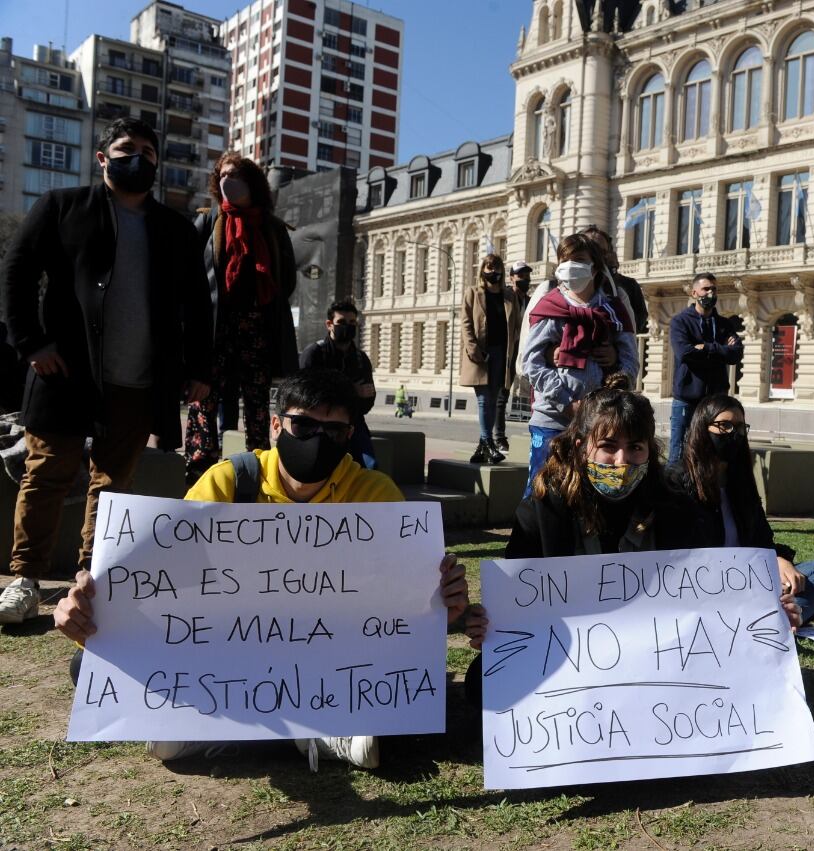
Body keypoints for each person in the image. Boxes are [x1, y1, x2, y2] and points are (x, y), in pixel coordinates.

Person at [52, 369, 471, 770]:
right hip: (230, 652)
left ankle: (215, 725)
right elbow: (160, 585)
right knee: (85, 668)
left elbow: (400, 606)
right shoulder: (228, 483)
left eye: (335, 432)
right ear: (275, 425)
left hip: (330, 654)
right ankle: (308, 730)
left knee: (413, 689)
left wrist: (437, 609)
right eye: (304, 426)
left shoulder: (375, 495)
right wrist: (91, 620)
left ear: (349, 436)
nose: (318, 441)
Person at [0, 117, 212, 626]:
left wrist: (200, 368)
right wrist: (31, 342)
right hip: (64, 373)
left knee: (114, 483)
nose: (136, 156)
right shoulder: (61, 207)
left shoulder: (177, 230)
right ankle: (24, 580)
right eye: (124, 147)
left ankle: (88, 579)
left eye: (147, 149)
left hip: (139, 380)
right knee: (46, 473)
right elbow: (17, 269)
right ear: (102, 158)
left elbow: (199, 306)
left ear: (157, 164)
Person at [463, 374, 801, 687]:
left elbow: (704, 590)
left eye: (635, 447)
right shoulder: (542, 509)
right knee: (485, 681)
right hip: (571, 653)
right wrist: (490, 624)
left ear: (648, 450)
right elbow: (518, 601)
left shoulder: (674, 505)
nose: (621, 460)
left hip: (652, 653)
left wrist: (764, 611)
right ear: (582, 446)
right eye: (608, 446)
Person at [669, 394, 814, 624]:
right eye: (725, 426)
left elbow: (762, 538)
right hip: (706, 586)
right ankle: (786, 618)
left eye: (740, 428)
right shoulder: (677, 480)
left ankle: (789, 614)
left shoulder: (741, 483)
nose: (734, 434)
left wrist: (779, 559)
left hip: (752, 580)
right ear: (703, 428)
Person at [184, 152, 298, 484]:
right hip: (215, 333)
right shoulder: (207, 221)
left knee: (258, 408)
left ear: (251, 182)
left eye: (234, 174)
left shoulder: (273, 229)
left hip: (257, 334)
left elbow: (285, 280)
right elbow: (191, 279)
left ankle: (258, 477)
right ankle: (199, 478)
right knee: (204, 406)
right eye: (221, 174)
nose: (226, 180)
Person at [521, 234, 638, 496]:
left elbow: (631, 361)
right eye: (565, 260)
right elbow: (532, 362)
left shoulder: (613, 310)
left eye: (580, 260)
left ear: (594, 267)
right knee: (541, 492)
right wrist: (565, 401)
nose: (571, 265)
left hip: (598, 422)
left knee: (590, 493)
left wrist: (617, 367)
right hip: (551, 418)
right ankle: (531, 538)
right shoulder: (549, 306)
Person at [668, 273, 744, 463]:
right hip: (687, 399)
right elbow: (685, 353)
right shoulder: (680, 322)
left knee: (713, 453)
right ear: (694, 293)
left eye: (714, 289)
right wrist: (721, 351)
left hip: (716, 402)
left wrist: (708, 348)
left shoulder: (725, 325)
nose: (711, 293)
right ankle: (674, 491)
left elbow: (735, 354)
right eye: (706, 289)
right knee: (679, 454)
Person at [299, 299, 377, 467]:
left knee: (370, 467)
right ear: (329, 324)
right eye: (341, 322)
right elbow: (305, 394)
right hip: (318, 423)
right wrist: (352, 391)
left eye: (352, 322)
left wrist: (360, 397)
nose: (347, 326)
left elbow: (367, 400)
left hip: (352, 423)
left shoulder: (360, 359)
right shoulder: (314, 353)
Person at [461, 254, 520, 464]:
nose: (492, 271)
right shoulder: (473, 293)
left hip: (502, 354)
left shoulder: (509, 296)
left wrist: (516, 353)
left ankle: (481, 448)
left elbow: (517, 326)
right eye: (488, 267)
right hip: (480, 355)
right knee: (484, 400)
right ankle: (488, 443)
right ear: (482, 270)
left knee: (494, 401)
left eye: (496, 267)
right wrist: (473, 349)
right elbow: (466, 323)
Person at [494, 261, 532, 453]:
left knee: (530, 394)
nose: (524, 280)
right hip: (507, 352)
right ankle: (499, 437)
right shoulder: (506, 296)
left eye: (526, 276)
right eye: (520, 276)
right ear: (511, 278)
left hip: (524, 353)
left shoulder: (531, 300)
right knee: (502, 395)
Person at [582, 225, 648, 334]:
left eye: (600, 251)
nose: (594, 255)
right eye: (588, 248)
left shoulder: (627, 286)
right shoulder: (560, 285)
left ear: (609, 254)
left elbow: (637, 324)